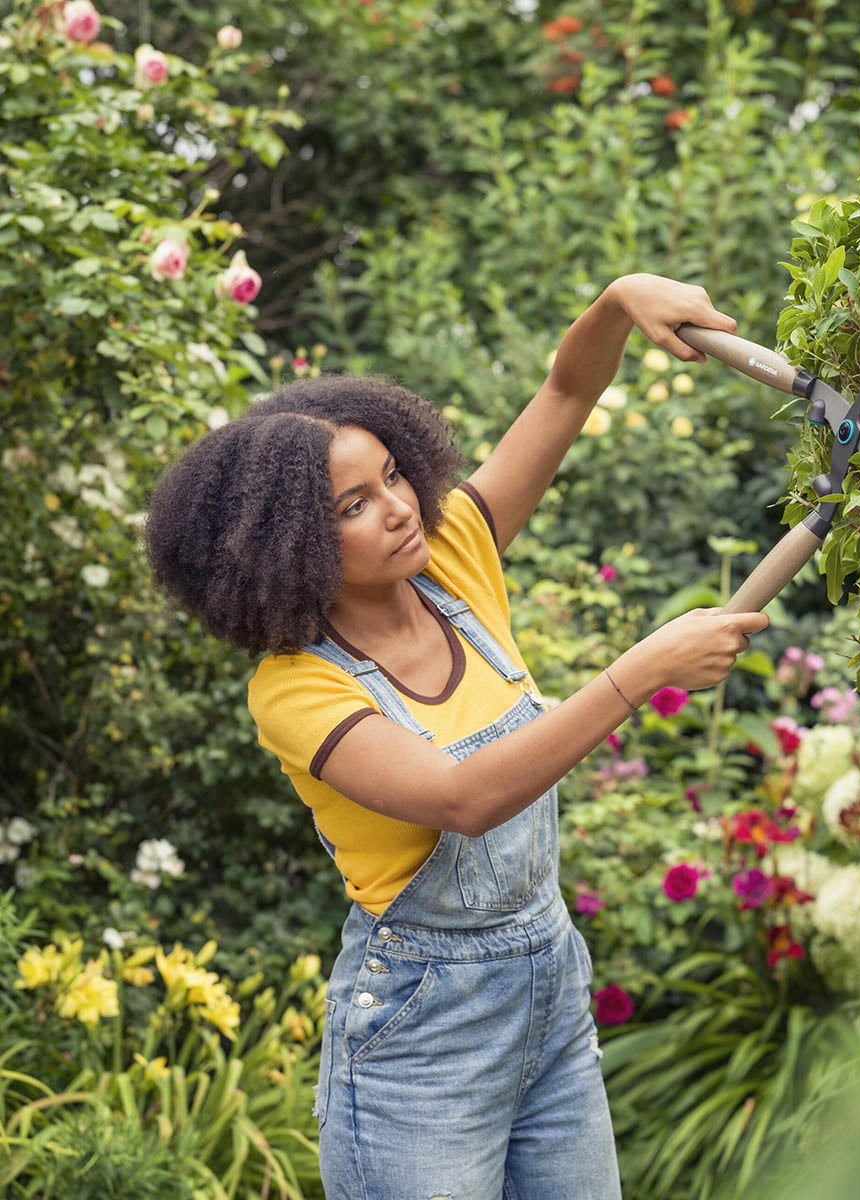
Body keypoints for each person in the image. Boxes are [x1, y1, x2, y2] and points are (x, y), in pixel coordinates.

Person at [144, 273, 770, 1200]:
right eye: (352, 506)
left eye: (392, 475)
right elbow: (461, 798)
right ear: (290, 546)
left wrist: (614, 302)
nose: (399, 508)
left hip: (550, 990)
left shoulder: (458, 560)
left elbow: (563, 394)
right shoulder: (297, 690)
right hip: (420, 1036)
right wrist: (641, 670)